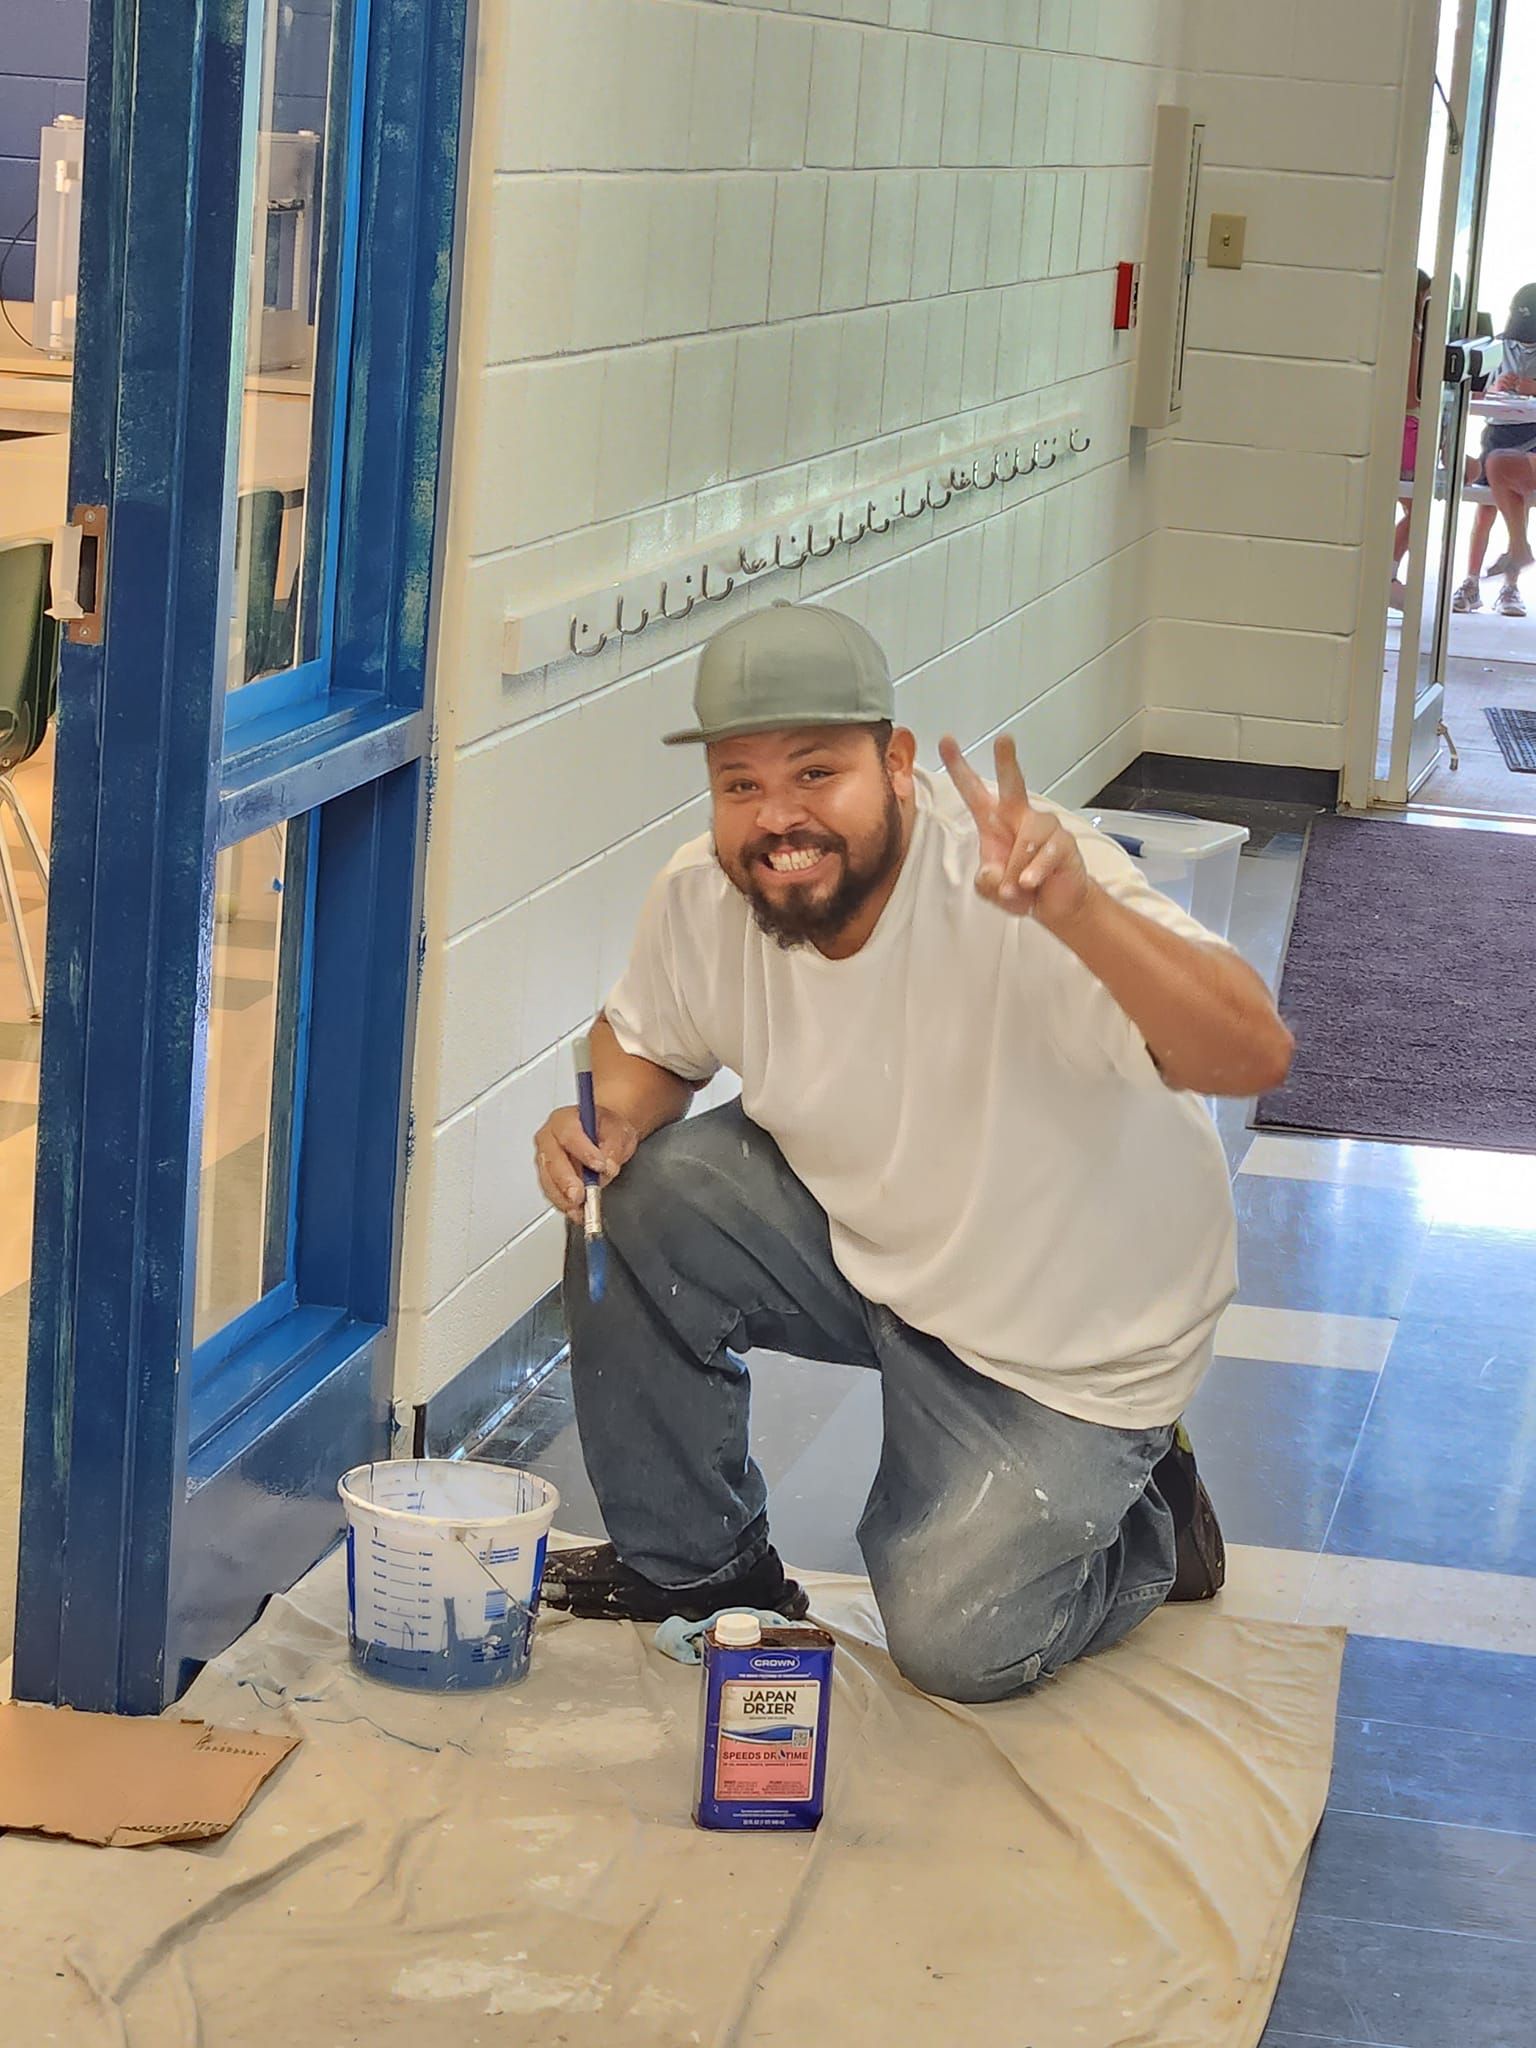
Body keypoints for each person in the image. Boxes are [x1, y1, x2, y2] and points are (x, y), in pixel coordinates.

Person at [532, 603, 1294, 1705]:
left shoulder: (1026, 885)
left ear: (895, 763)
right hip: (880, 1247)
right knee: (639, 1196)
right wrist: (602, 1120)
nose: (777, 817)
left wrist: (1082, 915)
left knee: (956, 1641)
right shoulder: (707, 891)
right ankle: (702, 1570)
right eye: (740, 782)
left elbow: (1253, 1049)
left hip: (1074, 1338)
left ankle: (1149, 1518)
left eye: (814, 772)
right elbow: (645, 1045)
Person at [1453, 282, 1536, 621]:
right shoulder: (1498, 346)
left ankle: (1510, 585)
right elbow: (1473, 393)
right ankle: (1471, 580)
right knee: (1486, 508)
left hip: (1530, 435)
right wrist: (1497, 388)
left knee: (1517, 497)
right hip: (1497, 431)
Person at [1391, 269, 1433, 610]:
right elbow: (1412, 397)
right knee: (1416, 507)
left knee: (1414, 509)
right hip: (1408, 432)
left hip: (1406, 430)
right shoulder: (1411, 338)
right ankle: (1387, 578)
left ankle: (1388, 577)